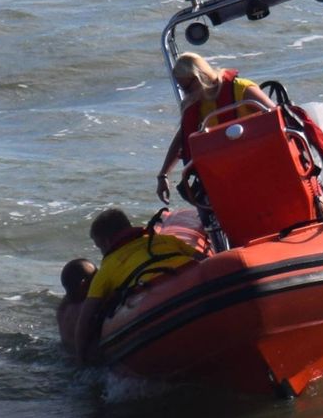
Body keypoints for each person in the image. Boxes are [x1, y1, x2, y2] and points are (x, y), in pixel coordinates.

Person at [74, 208, 200, 362]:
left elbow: (86, 318)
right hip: (195, 288)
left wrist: (81, 357)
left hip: (155, 310)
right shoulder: (166, 240)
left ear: (106, 242)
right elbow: (205, 259)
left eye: (100, 247)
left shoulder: (106, 269)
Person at [156, 52, 276, 203]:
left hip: (261, 164)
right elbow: (182, 137)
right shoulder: (198, 105)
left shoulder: (241, 89)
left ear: (200, 76)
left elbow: (278, 116)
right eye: (183, 89)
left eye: (187, 87)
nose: (187, 94)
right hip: (225, 174)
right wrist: (163, 175)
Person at [56, 258, 96, 356]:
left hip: (66, 356)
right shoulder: (86, 307)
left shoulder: (62, 309)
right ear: (83, 284)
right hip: (85, 362)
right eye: (96, 277)